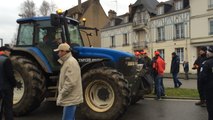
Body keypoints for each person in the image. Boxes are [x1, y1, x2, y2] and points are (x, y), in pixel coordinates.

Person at [54, 43, 83, 120]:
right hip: (70, 97)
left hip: (70, 98)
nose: (58, 53)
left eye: (59, 51)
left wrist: (61, 94)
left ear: (64, 52)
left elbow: (70, 83)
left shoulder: (70, 63)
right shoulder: (68, 62)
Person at [0, 46, 17, 120]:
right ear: (4, 51)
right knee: (8, 108)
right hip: (6, 88)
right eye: (8, 51)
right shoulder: (6, 60)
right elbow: (10, 75)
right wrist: (14, 83)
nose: (10, 52)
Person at [199, 46, 213, 120]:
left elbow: (202, 77)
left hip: (209, 89)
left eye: (208, 51)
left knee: (210, 108)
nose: (207, 52)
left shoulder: (206, 63)